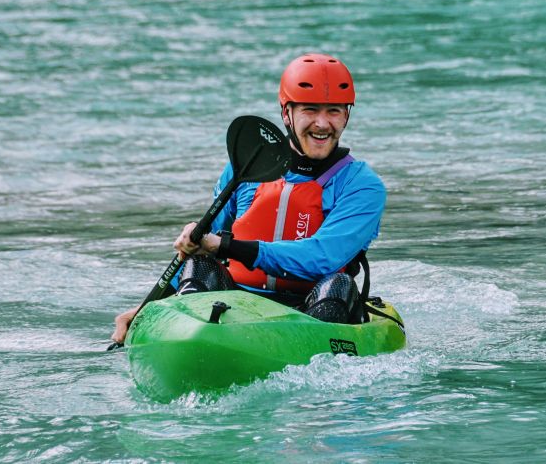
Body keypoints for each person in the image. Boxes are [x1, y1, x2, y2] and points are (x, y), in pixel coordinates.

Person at [111, 53, 386, 344]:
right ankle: (188, 341)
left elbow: (321, 258)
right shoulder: (247, 169)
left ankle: (310, 357)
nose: (322, 123)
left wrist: (227, 246)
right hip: (236, 305)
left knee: (338, 285)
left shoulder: (361, 185)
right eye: (310, 109)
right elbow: (202, 244)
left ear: (346, 115)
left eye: (334, 111)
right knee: (199, 265)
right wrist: (150, 309)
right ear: (286, 113)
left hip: (311, 308)